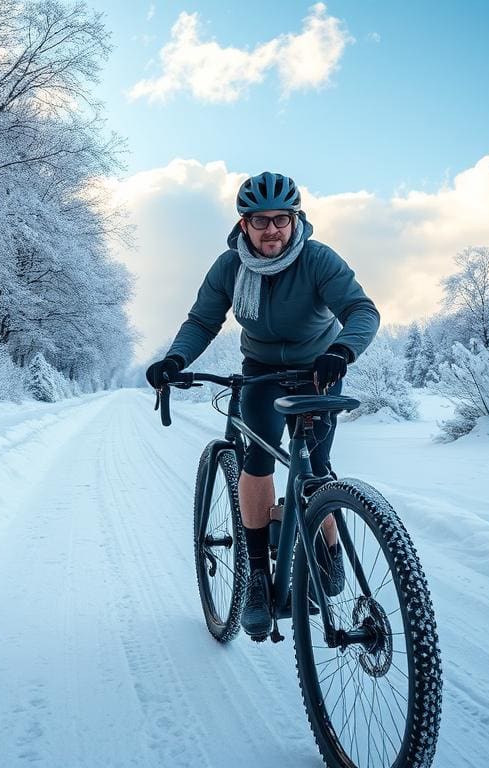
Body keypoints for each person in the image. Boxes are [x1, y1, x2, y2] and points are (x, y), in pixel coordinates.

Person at [146, 171, 379, 640]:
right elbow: (202, 320)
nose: (271, 230)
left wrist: (342, 351)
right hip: (261, 372)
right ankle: (255, 576)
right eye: (260, 221)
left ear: (296, 220)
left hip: (319, 369)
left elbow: (361, 310)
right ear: (244, 224)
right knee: (256, 462)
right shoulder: (230, 267)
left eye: (281, 219)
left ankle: (330, 553)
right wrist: (175, 358)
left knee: (317, 469)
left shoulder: (317, 260)